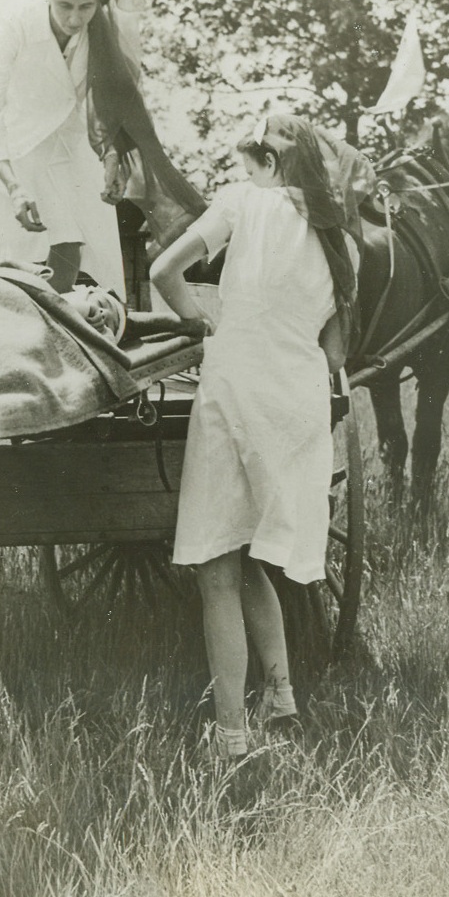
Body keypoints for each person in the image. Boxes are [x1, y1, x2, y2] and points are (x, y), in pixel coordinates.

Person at [150, 114, 369, 758]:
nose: (247, 171)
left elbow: (165, 270)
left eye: (253, 161)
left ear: (270, 163)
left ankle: (230, 736)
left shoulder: (241, 202)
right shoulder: (343, 240)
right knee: (250, 561)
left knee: (217, 565)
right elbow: (334, 354)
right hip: (297, 404)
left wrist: (204, 326)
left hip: (237, 390)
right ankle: (282, 700)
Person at [0, 0, 205, 298]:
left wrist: (111, 158)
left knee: (80, 249)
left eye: (86, 7)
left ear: (98, 3)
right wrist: (13, 186)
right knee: (24, 265)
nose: (74, 18)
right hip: (14, 154)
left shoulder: (99, 32)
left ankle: (74, 322)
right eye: (65, 5)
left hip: (71, 151)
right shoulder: (16, 26)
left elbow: (105, 104)